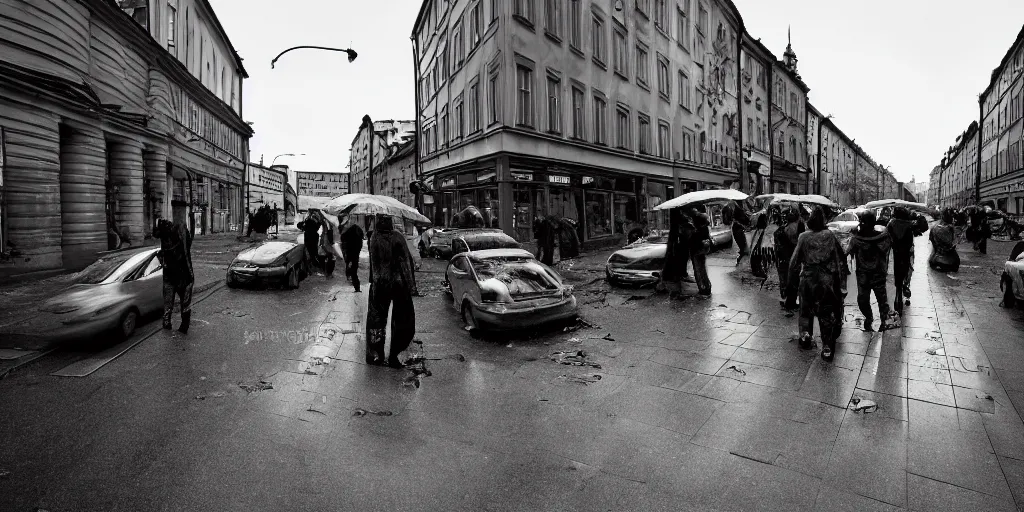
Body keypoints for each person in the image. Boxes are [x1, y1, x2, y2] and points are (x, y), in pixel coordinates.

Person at [788, 207, 844, 360]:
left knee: (805, 311)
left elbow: (794, 261)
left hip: (808, 280)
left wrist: (790, 282)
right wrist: (839, 282)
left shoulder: (803, 237)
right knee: (826, 314)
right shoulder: (830, 236)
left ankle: (806, 338)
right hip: (826, 282)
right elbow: (839, 259)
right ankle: (827, 347)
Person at [366, 215, 418, 368]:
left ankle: (376, 355)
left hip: (379, 285)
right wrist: (412, 287)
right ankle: (396, 355)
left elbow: (373, 264)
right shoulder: (398, 237)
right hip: (398, 285)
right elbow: (406, 265)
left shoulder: (373, 237)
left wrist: (374, 281)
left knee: (376, 320)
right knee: (402, 319)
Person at [847, 209, 894, 332]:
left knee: (882, 301)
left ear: (872, 223)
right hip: (863, 275)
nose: (861, 224)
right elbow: (847, 251)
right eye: (861, 221)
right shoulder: (856, 239)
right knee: (862, 300)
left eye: (864, 222)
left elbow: (885, 248)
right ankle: (869, 317)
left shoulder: (882, 237)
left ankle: (884, 321)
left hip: (878, 274)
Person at [154, 219, 195, 334]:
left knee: (183, 303)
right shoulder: (166, 239)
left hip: (183, 276)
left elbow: (186, 246)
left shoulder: (179, 237)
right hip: (173, 275)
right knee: (172, 302)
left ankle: (182, 325)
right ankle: (170, 323)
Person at [886, 207, 916, 316]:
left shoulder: (891, 224)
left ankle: (898, 294)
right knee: (905, 272)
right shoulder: (909, 225)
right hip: (906, 254)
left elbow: (887, 238)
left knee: (897, 274)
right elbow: (910, 241)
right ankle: (903, 287)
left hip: (895, 254)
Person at [774, 207, 805, 309]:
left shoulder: (782, 229)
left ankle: (786, 299)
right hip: (791, 257)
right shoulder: (798, 227)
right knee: (793, 279)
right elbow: (797, 244)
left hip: (783, 258)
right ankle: (789, 302)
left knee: (784, 279)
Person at [658, 209, 694, 295]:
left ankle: (676, 276)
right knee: (679, 259)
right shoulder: (679, 222)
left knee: (679, 259)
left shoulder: (678, 222)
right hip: (679, 243)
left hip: (678, 243)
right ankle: (676, 277)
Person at [690, 208, 714, 296]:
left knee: (698, 270)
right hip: (703, 250)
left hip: (696, 251)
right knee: (703, 269)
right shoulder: (705, 228)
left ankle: (703, 289)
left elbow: (693, 241)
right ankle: (707, 287)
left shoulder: (696, 230)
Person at [340, 217, 365, 292]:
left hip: (349, 251)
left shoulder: (348, 230)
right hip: (355, 252)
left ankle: (350, 278)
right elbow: (362, 239)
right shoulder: (357, 229)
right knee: (354, 267)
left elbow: (342, 238)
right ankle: (356, 286)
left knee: (349, 264)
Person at [726, 201, 751, 266]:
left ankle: (741, 261)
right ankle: (742, 261)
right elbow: (746, 221)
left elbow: (745, 221)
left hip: (738, 230)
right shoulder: (737, 211)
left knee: (742, 247)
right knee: (743, 246)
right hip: (738, 230)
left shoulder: (737, 211)